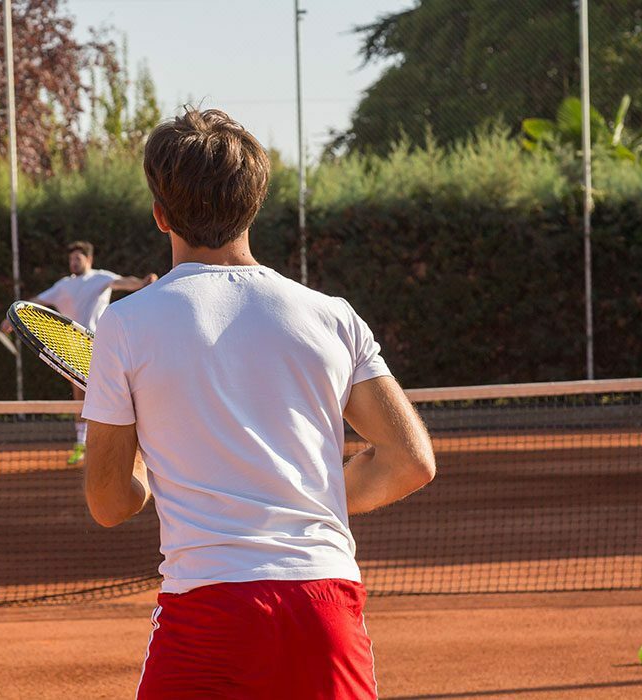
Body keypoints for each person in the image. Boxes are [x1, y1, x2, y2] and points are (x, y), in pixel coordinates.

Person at [81, 108, 436, 698]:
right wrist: (302, 501)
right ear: (253, 207)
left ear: (160, 214)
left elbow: (111, 502)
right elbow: (411, 460)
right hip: (324, 605)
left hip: (207, 614)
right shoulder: (333, 316)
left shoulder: (125, 325)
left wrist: (140, 457)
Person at [3, 241, 155, 464]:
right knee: (80, 397)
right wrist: (11, 316)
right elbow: (35, 303)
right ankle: (81, 444)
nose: (74, 262)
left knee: (118, 394)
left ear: (89, 260)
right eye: (71, 258)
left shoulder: (100, 277)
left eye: (78, 258)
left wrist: (143, 282)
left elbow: (124, 282)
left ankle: (135, 443)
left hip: (101, 347)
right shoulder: (63, 285)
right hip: (72, 349)